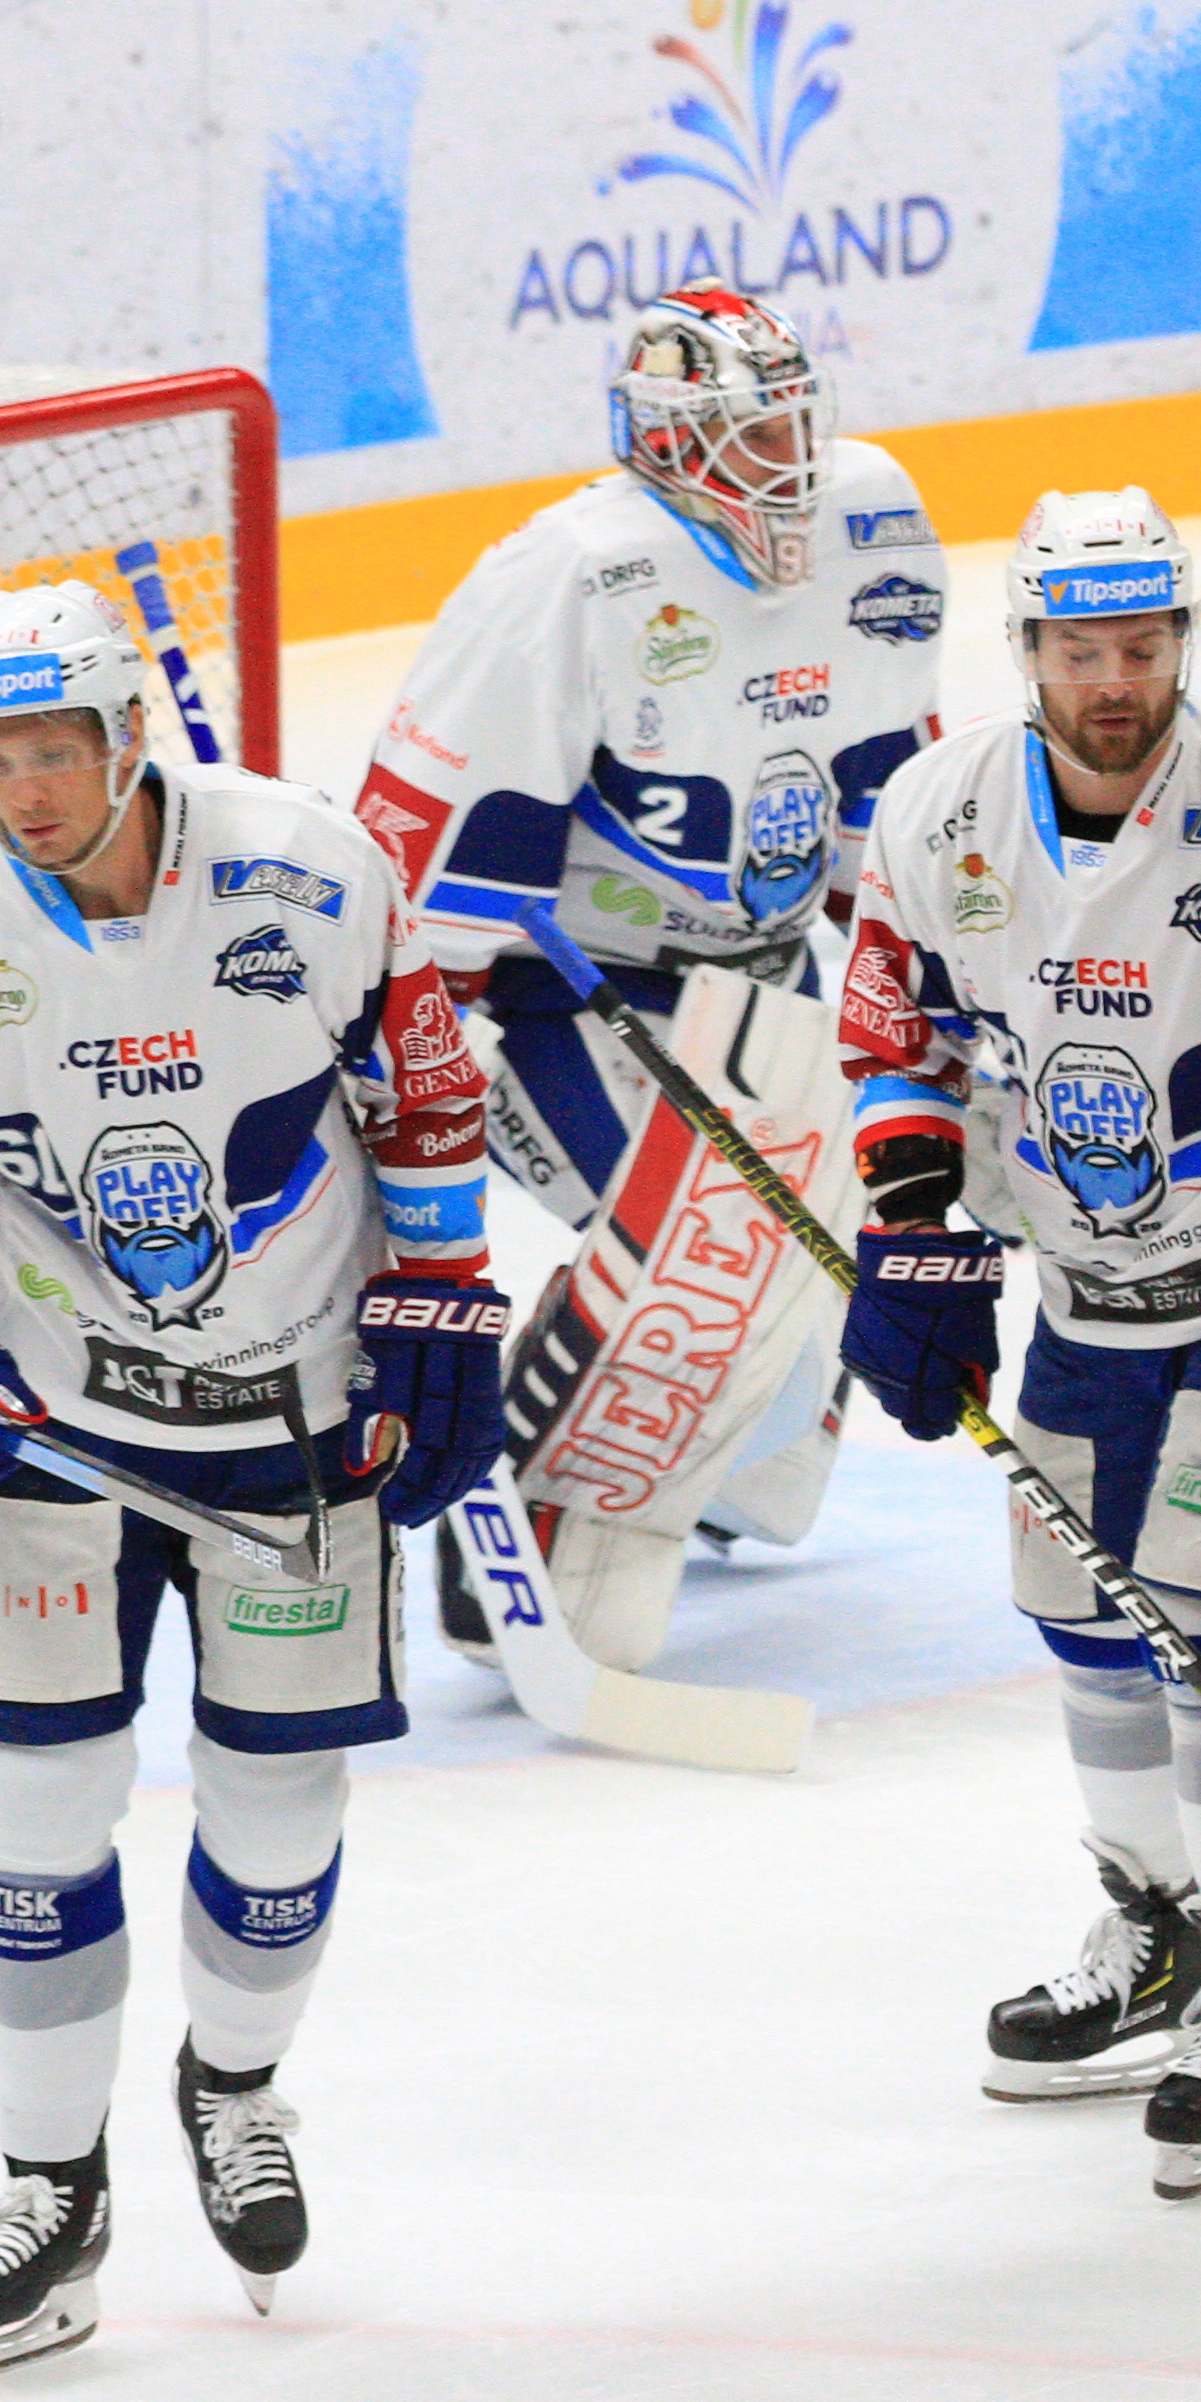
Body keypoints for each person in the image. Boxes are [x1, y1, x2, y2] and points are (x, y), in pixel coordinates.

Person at [0, 584, 507, 2379]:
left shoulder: (310, 875)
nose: (22, 790)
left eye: (53, 750)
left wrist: (439, 1292)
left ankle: (235, 2085)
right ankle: (51, 2191)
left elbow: (425, 1098)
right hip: (52, 1430)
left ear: (127, 735)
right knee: (37, 1809)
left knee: (278, 1810)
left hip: (297, 1421)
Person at [837, 488, 1201, 2194]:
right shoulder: (938, 816)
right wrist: (915, 1227)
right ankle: (1157, 1927)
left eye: (1141, 646)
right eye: (1080, 649)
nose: (1113, 681)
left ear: (1181, 643)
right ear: (1028, 650)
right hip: (1084, 1295)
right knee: (1083, 1623)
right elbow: (899, 1027)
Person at [355, 285, 946, 1674]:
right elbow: (424, 845)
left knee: (805, 1295)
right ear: (667, 440)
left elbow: (890, 789)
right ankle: (506, 1543)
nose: (791, 460)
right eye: (752, 434)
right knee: (693, 1255)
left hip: (770, 977)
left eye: (796, 424)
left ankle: (718, 1470)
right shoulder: (574, 576)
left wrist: (922, 986)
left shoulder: (874, 526)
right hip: (568, 996)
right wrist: (422, 1056)